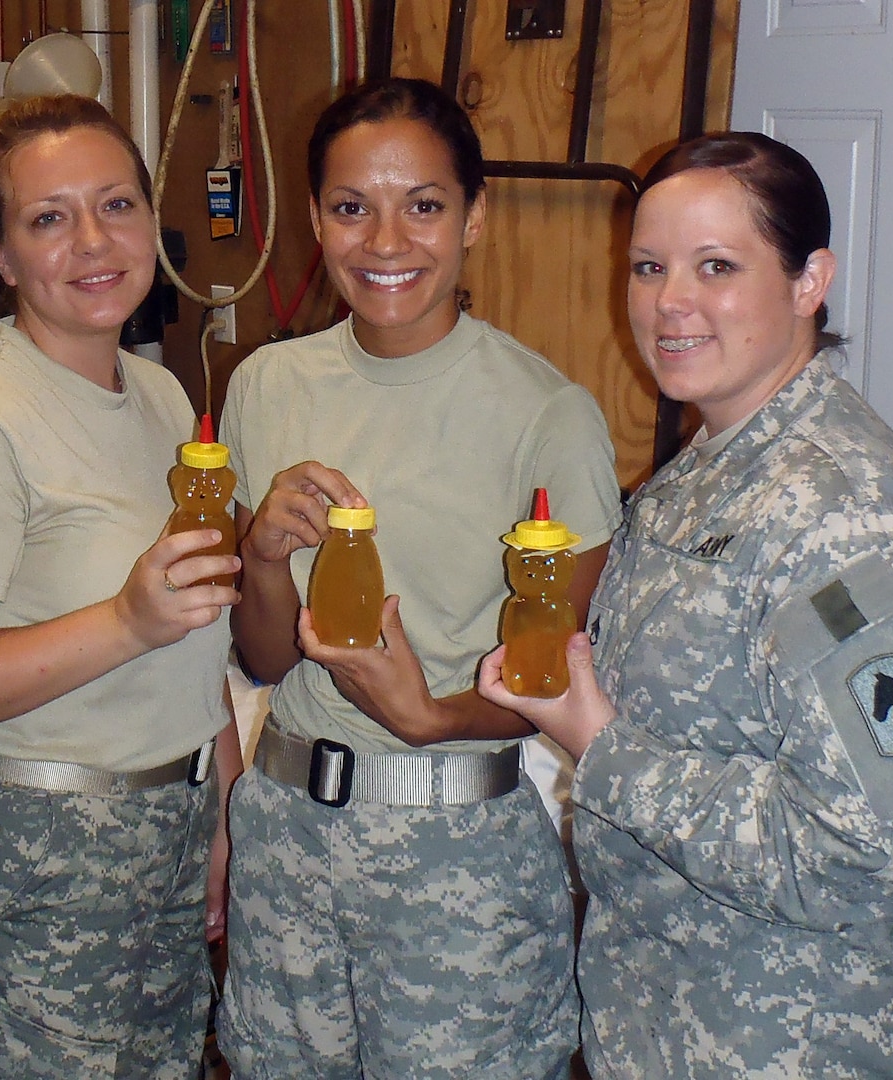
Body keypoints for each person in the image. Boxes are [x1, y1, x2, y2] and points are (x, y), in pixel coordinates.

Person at [479, 131, 893, 1079]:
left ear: (811, 280)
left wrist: (603, 747)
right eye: (649, 267)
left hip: (798, 1034)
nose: (668, 303)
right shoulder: (709, 474)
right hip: (665, 1007)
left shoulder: (848, 521)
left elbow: (878, 852)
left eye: (716, 267)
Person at [216, 77, 624, 1078]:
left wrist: (431, 714)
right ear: (314, 218)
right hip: (286, 834)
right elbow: (260, 656)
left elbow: (554, 683)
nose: (384, 240)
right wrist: (263, 555)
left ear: (473, 217)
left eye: (424, 205)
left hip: (456, 858)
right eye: (352, 207)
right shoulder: (267, 384)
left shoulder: (546, 417)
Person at [0, 94, 242, 1079]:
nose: (91, 241)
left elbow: (199, 637)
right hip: (36, 860)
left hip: (165, 834)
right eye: (48, 218)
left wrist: (218, 814)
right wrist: (124, 620)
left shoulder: (160, 392)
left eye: (115, 205)